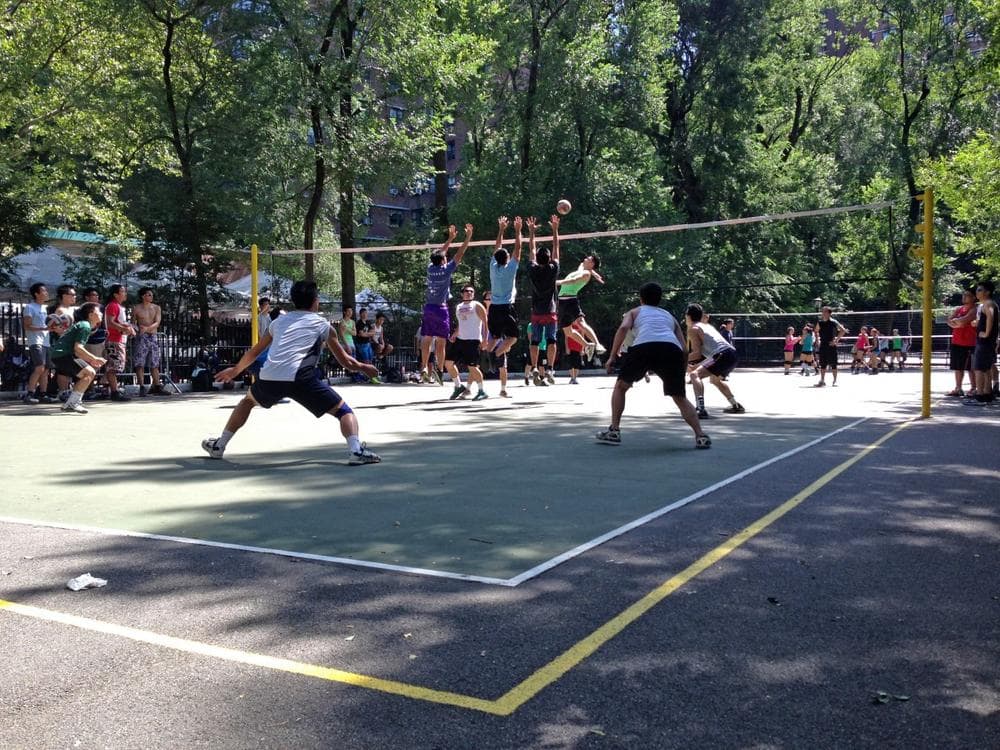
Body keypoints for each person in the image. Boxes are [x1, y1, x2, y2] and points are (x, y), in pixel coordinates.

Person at [202, 280, 381, 464]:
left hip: (271, 376)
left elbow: (254, 352)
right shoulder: (323, 325)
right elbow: (347, 362)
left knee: (247, 402)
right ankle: (356, 451)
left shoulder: (278, 323)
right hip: (301, 378)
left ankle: (219, 445)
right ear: (315, 301)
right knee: (343, 411)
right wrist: (365, 367)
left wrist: (235, 370)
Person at [597, 283, 710, 449]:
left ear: (641, 299)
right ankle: (700, 436)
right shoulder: (669, 316)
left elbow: (623, 328)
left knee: (621, 387)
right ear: (659, 299)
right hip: (671, 350)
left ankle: (614, 430)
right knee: (679, 396)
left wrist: (612, 356)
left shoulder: (635, 312)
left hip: (644, 346)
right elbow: (685, 350)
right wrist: (681, 369)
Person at [420, 223, 472, 384]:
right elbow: (460, 253)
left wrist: (450, 238)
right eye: (445, 257)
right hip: (441, 309)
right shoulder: (446, 269)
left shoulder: (430, 268)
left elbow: (441, 254)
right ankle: (440, 370)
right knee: (441, 342)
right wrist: (468, 237)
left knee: (427, 338)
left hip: (428, 307)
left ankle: (423, 367)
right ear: (443, 260)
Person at [685, 303, 744, 417]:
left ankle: (700, 409)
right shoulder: (706, 326)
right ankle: (735, 405)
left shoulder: (693, 328)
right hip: (732, 354)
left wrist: (680, 359)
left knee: (694, 375)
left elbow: (696, 354)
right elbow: (707, 356)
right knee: (714, 380)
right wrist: (693, 365)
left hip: (722, 354)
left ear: (688, 316)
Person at [49, 303, 107, 415]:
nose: (101, 313)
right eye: (98, 312)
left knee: (88, 373)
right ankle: (73, 403)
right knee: (89, 373)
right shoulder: (85, 326)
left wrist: (91, 360)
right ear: (90, 315)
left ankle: (70, 403)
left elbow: (77, 350)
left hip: (61, 355)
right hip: (62, 355)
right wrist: (94, 358)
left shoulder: (84, 325)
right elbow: (78, 348)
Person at [526, 215, 560, 386]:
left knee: (535, 341)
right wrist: (555, 229)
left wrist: (531, 232)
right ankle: (550, 369)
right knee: (552, 340)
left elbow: (532, 250)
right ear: (549, 259)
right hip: (551, 310)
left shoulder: (532, 269)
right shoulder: (553, 269)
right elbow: (556, 248)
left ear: (537, 259)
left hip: (537, 312)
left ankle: (533, 367)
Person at [556, 251, 606, 358]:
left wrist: (556, 282)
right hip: (562, 302)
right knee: (568, 332)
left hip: (571, 301)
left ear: (592, 263)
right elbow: (583, 265)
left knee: (581, 323)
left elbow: (573, 280)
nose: (586, 258)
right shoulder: (582, 270)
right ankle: (587, 345)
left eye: (589, 258)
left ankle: (598, 344)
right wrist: (595, 274)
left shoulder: (585, 274)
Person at [445, 284, 489, 401]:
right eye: (466, 291)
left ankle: (481, 391)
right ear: (462, 293)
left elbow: (485, 322)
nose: (469, 293)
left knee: (472, 367)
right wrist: (454, 334)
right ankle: (458, 386)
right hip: (460, 340)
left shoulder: (477, 305)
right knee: (448, 363)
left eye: (471, 291)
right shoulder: (458, 307)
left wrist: (485, 339)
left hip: (473, 340)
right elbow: (461, 323)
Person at [487, 215, 522, 361]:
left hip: (494, 308)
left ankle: (485, 355)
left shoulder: (493, 267)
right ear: (507, 258)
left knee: (494, 337)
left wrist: (501, 230)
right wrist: (517, 231)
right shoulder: (511, 268)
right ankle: (495, 355)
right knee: (513, 337)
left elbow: (497, 248)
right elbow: (518, 248)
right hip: (506, 308)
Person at [21, 283, 57, 404]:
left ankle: (43, 394)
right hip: (35, 341)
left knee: (46, 370)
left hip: (45, 342)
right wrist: (44, 329)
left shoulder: (44, 308)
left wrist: (52, 328)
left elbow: (45, 326)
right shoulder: (30, 307)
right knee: (39, 367)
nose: (46, 293)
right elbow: (27, 325)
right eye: (44, 291)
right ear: (36, 294)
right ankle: (29, 394)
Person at [132, 287, 170, 396]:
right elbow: (133, 323)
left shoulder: (156, 308)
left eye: (151, 295)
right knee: (140, 362)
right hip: (141, 337)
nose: (151, 297)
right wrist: (137, 329)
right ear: (143, 296)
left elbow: (157, 322)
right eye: (149, 295)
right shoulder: (137, 308)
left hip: (152, 335)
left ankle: (157, 385)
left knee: (154, 362)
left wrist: (147, 329)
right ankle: (142, 386)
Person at [966, 281, 998, 406]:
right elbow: (987, 318)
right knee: (986, 369)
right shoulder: (985, 304)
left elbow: (990, 316)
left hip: (985, 342)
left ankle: (980, 395)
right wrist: (977, 324)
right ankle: (987, 394)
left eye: (979, 290)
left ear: (987, 292)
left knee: (978, 369)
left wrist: (986, 332)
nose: (977, 292)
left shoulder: (988, 303)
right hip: (985, 342)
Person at [103, 284, 135, 401]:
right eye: (122, 291)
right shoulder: (113, 306)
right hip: (114, 340)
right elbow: (110, 322)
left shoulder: (118, 306)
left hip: (119, 339)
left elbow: (117, 322)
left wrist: (128, 327)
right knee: (113, 366)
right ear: (115, 294)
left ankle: (111, 389)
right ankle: (114, 392)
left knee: (116, 366)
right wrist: (124, 329)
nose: (125, 293)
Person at [946, 289, 978, 396]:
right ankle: (958, 388)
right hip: (957, 342)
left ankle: (973, 388)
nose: (964, 297)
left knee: (971, 368)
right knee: (958, 367)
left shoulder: (975, 309)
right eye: (963, 295)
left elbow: (965, 319)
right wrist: (958, 323)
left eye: (967, 295)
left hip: (970, 343)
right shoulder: (959, 309)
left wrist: (959, 322)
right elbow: (949, 320)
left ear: (974, 297)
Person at [482, 289, 510, 397]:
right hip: (485, 344)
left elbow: (506, 328)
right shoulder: (481, 312)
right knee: (477, 366)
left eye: (491, 298)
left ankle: (503, 390)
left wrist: (508, 343)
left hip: (499, 344)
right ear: (484, 300)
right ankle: (472, 389)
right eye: (487, 298)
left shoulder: (499, 312)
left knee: (503, 367)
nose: (490, 300)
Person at [814, 306, 846, 387]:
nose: (822, 313)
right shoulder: (820, 322)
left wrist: (836, 340)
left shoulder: (833, 322)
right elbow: (816, 331)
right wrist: (817, 340)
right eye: (822, 311)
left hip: (831, 345)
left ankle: (835, 381)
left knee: (833, 364)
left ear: (829, 313)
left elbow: (843, 330)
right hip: (823, 345)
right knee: (823, 364)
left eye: (824, 311)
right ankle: (822, 380)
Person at [354, 307, 380, 384]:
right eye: (363, 313)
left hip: (368, 344)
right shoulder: (359, 323)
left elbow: (373, 332)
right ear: (360, 314)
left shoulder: (368, 323)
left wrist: (366, 334)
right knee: (366, 360)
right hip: (361, 344)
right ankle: (370, 377)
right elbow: (361, 335)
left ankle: (372, 375)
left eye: (366, 313)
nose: (365, 315)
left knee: (370, 359)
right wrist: (368, 334)